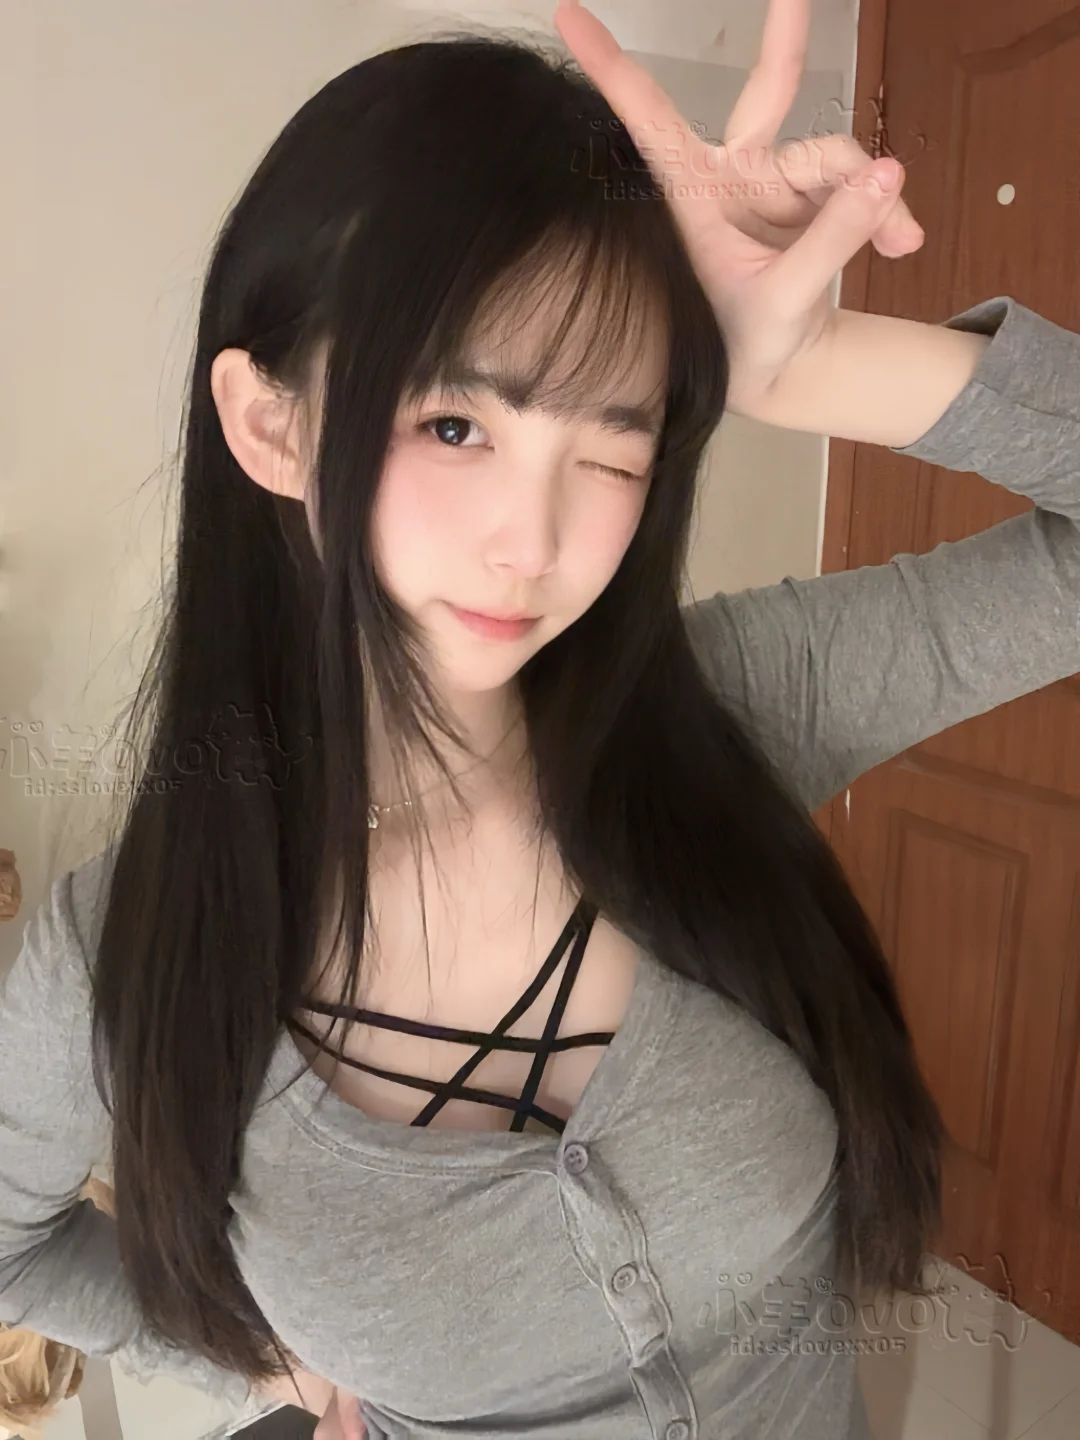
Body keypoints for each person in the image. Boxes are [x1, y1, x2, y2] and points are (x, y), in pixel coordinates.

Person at [2, 2, 1078, 1438]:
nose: (538, 541)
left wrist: (805, 367)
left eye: (615, 444)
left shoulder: (723, 713)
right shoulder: (120, 959)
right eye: (456, 426)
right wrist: (268, 1365)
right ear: (272, 425)